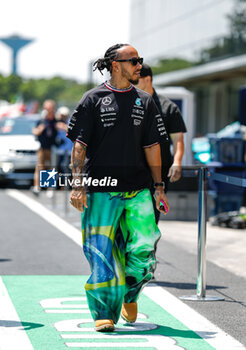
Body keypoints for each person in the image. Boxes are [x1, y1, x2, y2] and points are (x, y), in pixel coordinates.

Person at [67, 43, 169, 332]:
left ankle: (130, 293)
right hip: (101, 189)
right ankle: (103, 312)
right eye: (134, 61)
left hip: (139, 190)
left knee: (144, 250)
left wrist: (159, 187)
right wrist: (77, 185)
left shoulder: (145, 101)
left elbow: (152, 146)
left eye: (140, 60)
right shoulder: (93, 99)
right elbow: (79, 146)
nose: (139, 65)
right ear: (115, 64)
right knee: (100, 251)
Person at [135, 63, 187, 223]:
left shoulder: (168, 107)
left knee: (150, 221)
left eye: (135, 81)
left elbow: (178, 140)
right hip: (131, 170)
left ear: (147, 79)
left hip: (158, 174)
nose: (131, 85)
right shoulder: (127, 104)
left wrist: (177, 162)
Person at [32, 99, 57, 195]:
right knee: (40, 166)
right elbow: (35, 131)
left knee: (50, 167)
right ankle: (37, 187)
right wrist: (39, 129)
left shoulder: (55, 119)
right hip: (42, 146)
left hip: (52, 146)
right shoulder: (42, 120)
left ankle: (49, 188)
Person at [55, 106, 73, 174]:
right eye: (61, 115)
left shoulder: (70, 122)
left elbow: (72, 130)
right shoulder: (56, 122)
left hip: (69, 148)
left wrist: (63, 126)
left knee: (69, 167)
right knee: (58, 166)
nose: (63, 117)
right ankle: (60, 183)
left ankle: (69, 183)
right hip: (59, 148)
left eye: (64, 115)